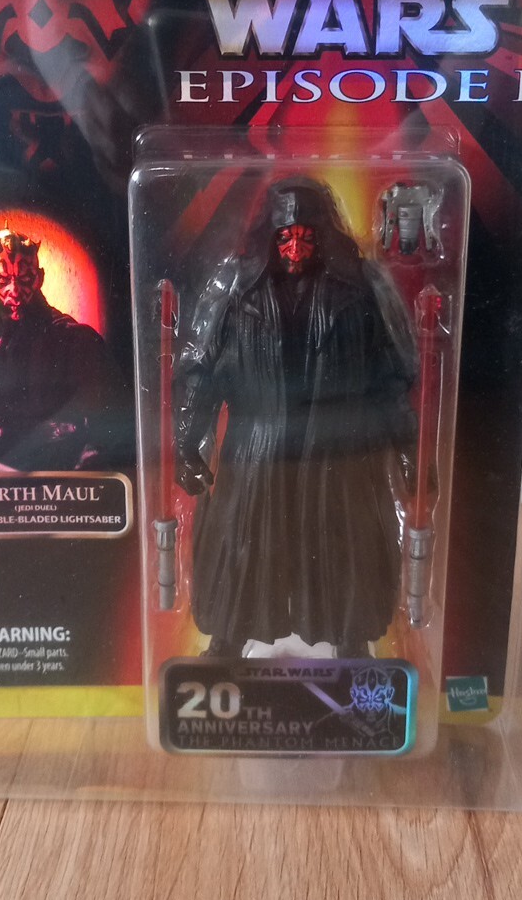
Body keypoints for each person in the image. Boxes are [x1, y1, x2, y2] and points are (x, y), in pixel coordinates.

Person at [175, 179, 418, 658]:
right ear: (269, 235)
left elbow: (390, 379)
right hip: (256, 441)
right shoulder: (236, 287)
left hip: (338, 444)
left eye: (306, 235)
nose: (295, 246)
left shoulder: (360, 288)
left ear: (323, 236)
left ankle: (352, 643)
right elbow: (201, 371)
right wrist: (187, 442)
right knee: (243, 544)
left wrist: (408, 450)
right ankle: (227, 642)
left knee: (343, 544)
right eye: (285, 235)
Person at [0, 227, 126, 471]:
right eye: (2, 280)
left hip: (56, 467)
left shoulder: (74, 338)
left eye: (24, 279)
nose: (14, 291)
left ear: (39, 278)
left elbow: (108, 421)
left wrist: (90, 454)